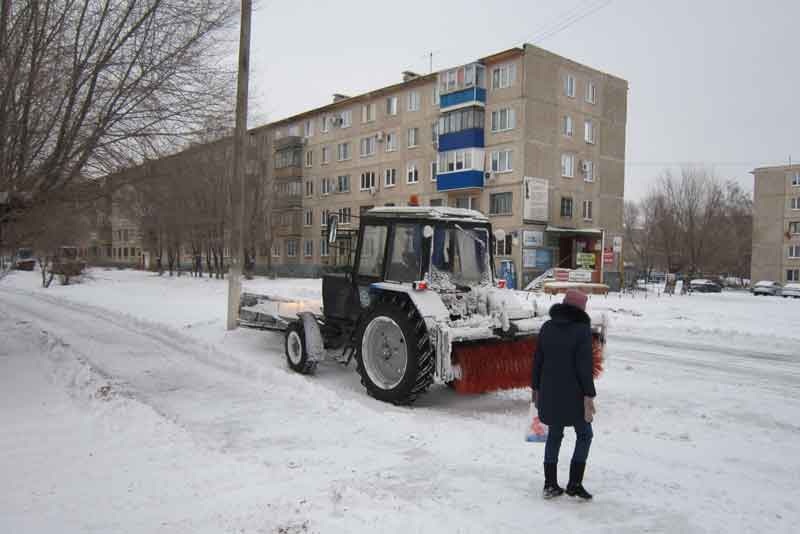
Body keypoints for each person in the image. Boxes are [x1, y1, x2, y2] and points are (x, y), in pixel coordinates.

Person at [531, 289, 596, 500]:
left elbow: (537, 362)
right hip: (574, 396)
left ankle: (550, 484)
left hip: (549, 393)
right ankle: (575, 483)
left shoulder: (547, 327)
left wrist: (536, 389)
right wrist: (589, 394)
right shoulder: (582, 331)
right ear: (580, 309)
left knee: (554, 436)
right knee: (585, 435)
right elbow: (584, 367)